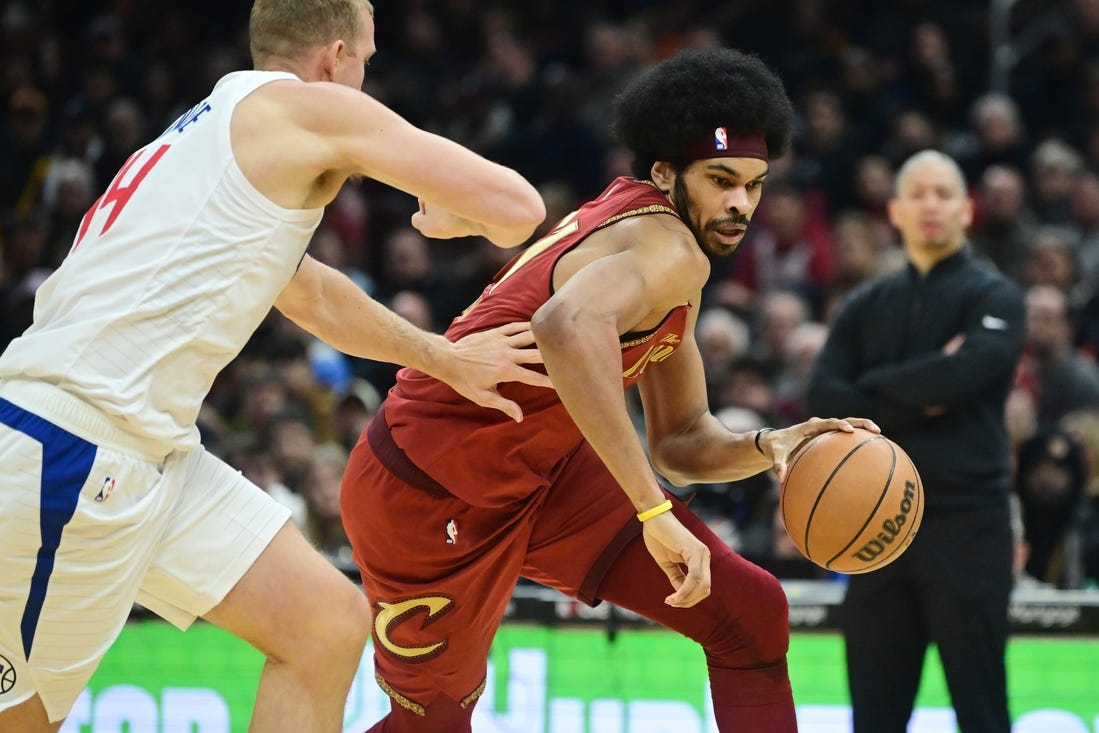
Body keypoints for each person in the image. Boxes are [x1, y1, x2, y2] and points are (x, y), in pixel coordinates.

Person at [0, 1, 552, 730]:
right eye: (365, 61)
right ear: (333, 58)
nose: (363, 78)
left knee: (322, 626)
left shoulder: (208, 131)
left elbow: (307, 291)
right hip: (73, 448)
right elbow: (517, 207)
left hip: (147, 448)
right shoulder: (307, 111)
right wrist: (455, 214)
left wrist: (441, 357)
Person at [341, 47, 877, 733]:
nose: (740, 201)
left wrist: (772, 443)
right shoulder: (667, 247)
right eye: (720, 179)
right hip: (430, 486)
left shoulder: (663, 252)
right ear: (663, 172)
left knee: (749, 614)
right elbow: (564, 324)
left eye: (753, 183)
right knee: (431, 726)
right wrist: (652, 514)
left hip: (543, 473)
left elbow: (682, 442)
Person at [807, 149, 1026, 733]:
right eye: (919, 194)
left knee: (982, 711)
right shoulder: (865, 304)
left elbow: (967, 374)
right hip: (874, 535)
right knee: (874, 718)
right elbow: (824, 399)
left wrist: (871, 395)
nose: (932, 205)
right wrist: (925, 387)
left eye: (944, 193)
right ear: (897, 211)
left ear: (967, 209)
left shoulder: (996, 296)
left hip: (968, 525)